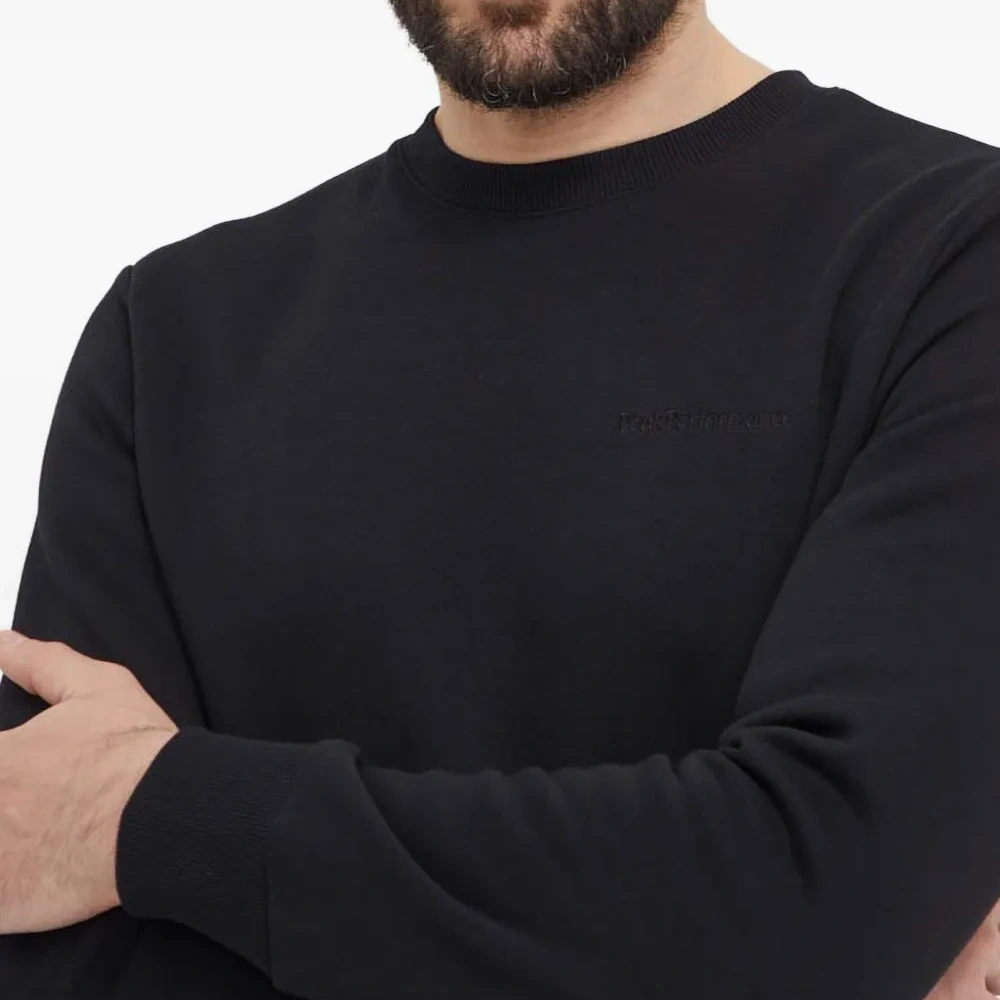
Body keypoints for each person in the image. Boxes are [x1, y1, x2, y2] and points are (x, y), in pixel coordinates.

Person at [1, 0, 999, 997]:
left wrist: (163, 821)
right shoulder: (172, 340)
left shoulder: (949, 259)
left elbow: (826, 893)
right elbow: (62, 933)